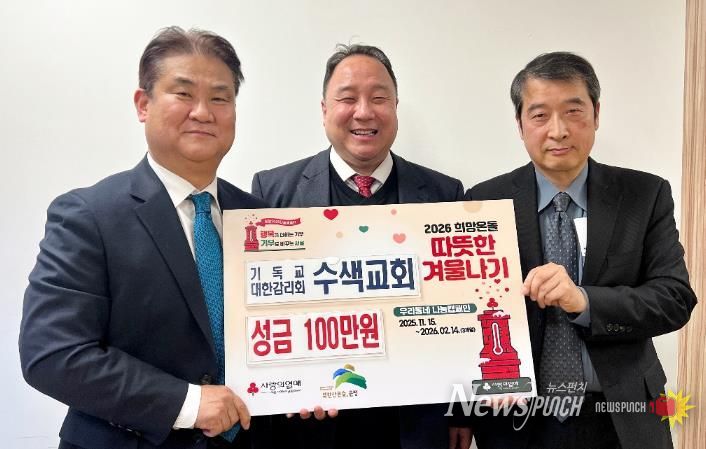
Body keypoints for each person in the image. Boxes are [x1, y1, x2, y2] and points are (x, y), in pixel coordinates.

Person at [19, 27, 268, 449]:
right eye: (183, 93)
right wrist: (188, 403)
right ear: (143, 104)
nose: (203, 112)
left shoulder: (260, 218)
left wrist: (308, 383)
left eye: (220, 98)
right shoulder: (87, 216)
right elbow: (53, 354)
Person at [466, 51, 697, 449]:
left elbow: (674, 299)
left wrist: (585, 301)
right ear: (520, 124)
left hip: (622, 415)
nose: (558, 131)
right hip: (519, 419)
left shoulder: (645, 195)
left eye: (573, 112)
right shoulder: (483, 202)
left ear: (596, 113)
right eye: (540, 115)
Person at [251, 44, 469, 449]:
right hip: (311, 423)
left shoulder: (445, 193)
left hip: (414, 423)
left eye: (379, 98)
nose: (364, 112)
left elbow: (461, 314)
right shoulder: (271, 192)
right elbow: (260, 310)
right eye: (348, 98)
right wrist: (283, 386)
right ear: (324, 110)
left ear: (396, 107)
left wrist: (460, 411)